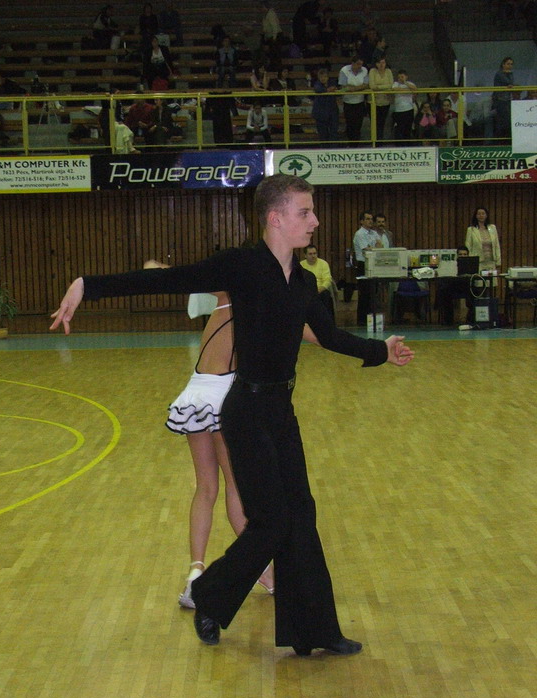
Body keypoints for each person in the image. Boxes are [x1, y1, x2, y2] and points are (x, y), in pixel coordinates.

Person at [50, 174, 414, 656]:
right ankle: (210, 595)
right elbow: (168, 279)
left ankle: (314, 632)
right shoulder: (242, 266)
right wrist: (86, 286)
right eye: (305, 212)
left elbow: (328, 336)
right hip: (245, 411)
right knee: (273, 521)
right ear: (276, 218)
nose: (315, 221)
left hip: (281, 411)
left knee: (300, 515)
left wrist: (380, 351)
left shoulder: (304, 281)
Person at [167, 291, 275, 607]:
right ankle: (264, 572)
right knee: (235, 486)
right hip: (222, 397)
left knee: (205, 488)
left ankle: (195, 574)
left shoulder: (223, 299)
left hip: (195, 394)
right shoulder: (252, 310)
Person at [352, 210, 382, 325]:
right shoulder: (359, 234)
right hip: (363, 265)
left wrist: (373, 247)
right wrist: (374, 247)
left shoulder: (374, 233)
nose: (370, 221)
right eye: (367, 219)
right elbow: (367, 249)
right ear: (361, 221)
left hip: (374, 264)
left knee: (373, 293)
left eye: (371, 219)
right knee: (365, 293)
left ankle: (372, 319)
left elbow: (381, 246)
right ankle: (362, 320)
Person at [338, 54, 369, 142]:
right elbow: (343, 86)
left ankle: (356, 144)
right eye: (358, 64)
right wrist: (359, 87)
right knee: (350, 124)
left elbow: (366, 85)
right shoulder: (344, 70)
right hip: (348, 103)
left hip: (360, 102)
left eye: (361, 64)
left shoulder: (364, 70)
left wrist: (353, 88)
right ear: (352, 63)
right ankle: (351, 143)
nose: (360, 66)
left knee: (358, 125)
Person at [300, 243, 334, 320]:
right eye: (310, 254)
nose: (313, 256)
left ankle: (327, 321)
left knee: (326, 295)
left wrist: (319, 289)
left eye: (315, 253)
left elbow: (327, 280)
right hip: (306, 292)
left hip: (320, 290)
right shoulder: (301, 265)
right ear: (305, 255)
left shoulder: (323, 264)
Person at [465, 207, 501, 272]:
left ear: (486, 215)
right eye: (479, 214)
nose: (481, 215)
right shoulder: (471, 230)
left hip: (491, 261)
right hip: (478, 262)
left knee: (492, 278)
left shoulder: (492, 228)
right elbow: (468, 247)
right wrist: (470, 262)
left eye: (483, 214)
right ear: (476, 216)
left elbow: (496, 245)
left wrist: (498, 261)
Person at [368, 56, 393, 141]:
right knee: (374, 123)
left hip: (385, 101)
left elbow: (391, 85)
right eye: (379, 63)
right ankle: (374, 141)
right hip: (373, 102)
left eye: (383, 62)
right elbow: (372, 86)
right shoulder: (372, 71)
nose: (381, 65)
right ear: (376, 64)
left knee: (382, 123)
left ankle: (380, 141)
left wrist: (378, 87)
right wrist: (384, 87)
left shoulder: (388, 71)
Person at [312, 67, 340, 143]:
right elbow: (318, 89)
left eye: (324, 76)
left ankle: (333, 148)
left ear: (328, 77)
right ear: (318, 77)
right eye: (321, 77)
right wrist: (327, 90)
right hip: (320, 113)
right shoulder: (317, 84)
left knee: (334, 133)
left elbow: (337, 89)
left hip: (332, 112)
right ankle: (324, 149)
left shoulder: (333, 83)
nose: (323, 78)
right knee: (323, 134)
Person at [492, 56, 515, 140]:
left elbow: (511, 83)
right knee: (502, 121)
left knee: (507, 121)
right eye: (508, 64)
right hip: (500, 100)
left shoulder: (509, 74)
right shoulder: (499, 73)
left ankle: (506, 139)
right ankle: (500, 140)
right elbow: (508, 82)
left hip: (507, 100)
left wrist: (510, 74)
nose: (510, 66)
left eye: (511, 64)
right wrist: (509, 74)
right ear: (503, 64)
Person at [391, 69, 416, 141]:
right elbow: (394, 89)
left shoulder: (410, 84)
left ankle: (407, 143)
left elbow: (415, 89)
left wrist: (405, 83)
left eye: (402, 77)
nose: (400, 79)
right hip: (399, 110)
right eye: (399, 77)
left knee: (408, 128)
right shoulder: (395, 84)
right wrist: (407, 90)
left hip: (409, 109)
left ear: (406, 77)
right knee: (400, 128)